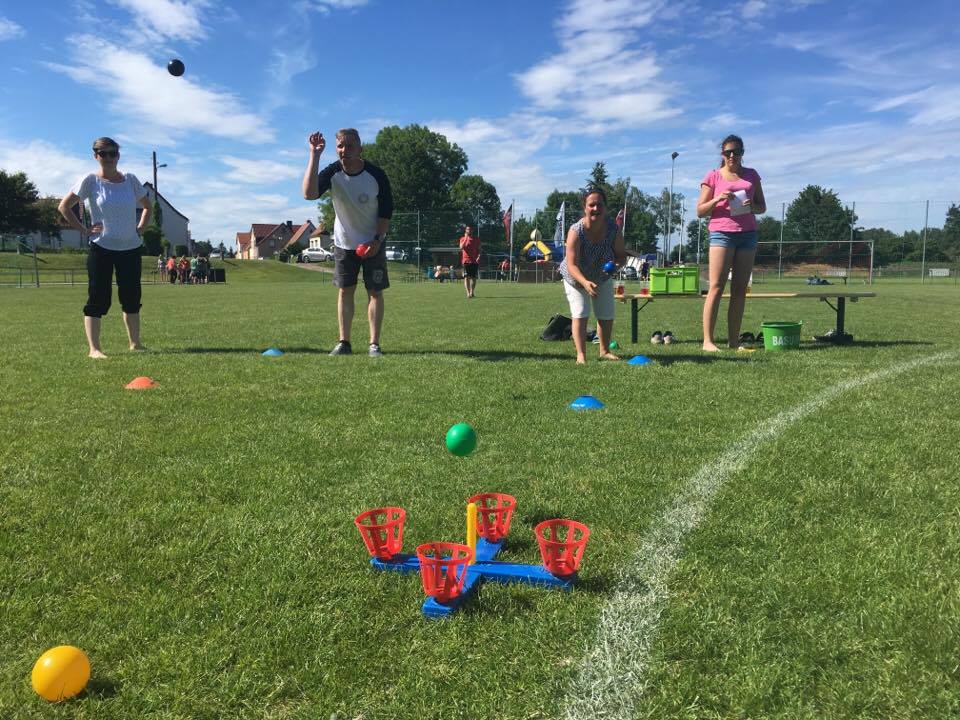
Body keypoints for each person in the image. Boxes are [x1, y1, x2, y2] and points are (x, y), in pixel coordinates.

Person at [303, 128, 394, 357]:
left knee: (375, 292)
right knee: (345, 292)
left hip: (373, 242)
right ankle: (344, 343)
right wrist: (314, 155)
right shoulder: (332, 173)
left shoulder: (376, 175)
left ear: (360, 148)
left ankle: (374, 344)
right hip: (344, 243)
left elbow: (386, 213)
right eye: (341, 146)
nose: (345, 150)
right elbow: (309, 194)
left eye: (350, 145)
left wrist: (376, 240)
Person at [58, 137, 151, 358]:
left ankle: (135, 343)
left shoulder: (130, 180)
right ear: (96, 156)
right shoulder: (90, 181)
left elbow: (147, 206)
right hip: (102, 247)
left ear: (118, 156)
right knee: (98, 297)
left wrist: (140, 228)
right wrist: (84, 230)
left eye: (112, 153)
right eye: (103, 153)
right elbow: (64, 207)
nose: (108, 157)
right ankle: (95, 349)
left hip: (130, 248)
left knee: (131, 296)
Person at [697, 134, 767, 351]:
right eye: (728, 152)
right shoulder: (713, 176)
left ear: (742, 153)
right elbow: (700, 211)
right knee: (716, 287)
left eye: (737, 152)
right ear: (722, 154)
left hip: (747, 235)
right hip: (721, 234)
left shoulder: (752, 176)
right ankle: (708, 341)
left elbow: (761, 207)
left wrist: (751, 205)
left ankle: (734, 340)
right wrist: (717, 199)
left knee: (739, 289)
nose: (733, 156)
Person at [558, 187, 626, 364]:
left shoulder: (613, 229)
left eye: (600, 205)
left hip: (601, 276)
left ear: (605, 207)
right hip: (576, 278)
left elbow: (621, 256)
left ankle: (604, 351)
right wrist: (585, 282)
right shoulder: (575, 231)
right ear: (585, 207)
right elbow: (571, 265)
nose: (596, 208)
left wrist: (615, 266)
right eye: (592, 205)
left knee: (606, 313)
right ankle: (581, 355)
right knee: (580, 312)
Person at [458, 226, 481, 298]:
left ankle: (472, 292)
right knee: (466, 277)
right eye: (468, 229)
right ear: (465, 230)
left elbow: (479, 249)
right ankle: (468, 293)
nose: (469, 230)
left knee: (473, 278)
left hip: (474, 261)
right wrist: (466, 238)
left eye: (470, 229)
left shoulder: (477, 239)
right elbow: (461, 247)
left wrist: (479, 256)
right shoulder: (462, 238)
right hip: (466, 261)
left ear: (472, 231)